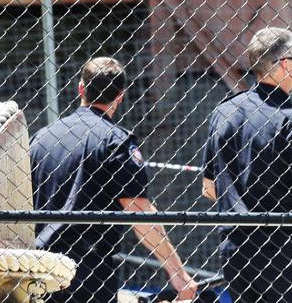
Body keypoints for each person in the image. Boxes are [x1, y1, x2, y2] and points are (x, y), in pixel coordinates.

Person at [30, 57, 198, 303]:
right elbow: (138, 211)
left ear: (80, 88)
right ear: (120, 96)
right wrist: (177, 271)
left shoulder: (40, 139)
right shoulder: (115, 142)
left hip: (39, 267)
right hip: (87, 271)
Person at [202, 27, 292, 303]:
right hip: (283, 249)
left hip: (234, 249)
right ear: (284, 64)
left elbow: (210, 189)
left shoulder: (223, 112)